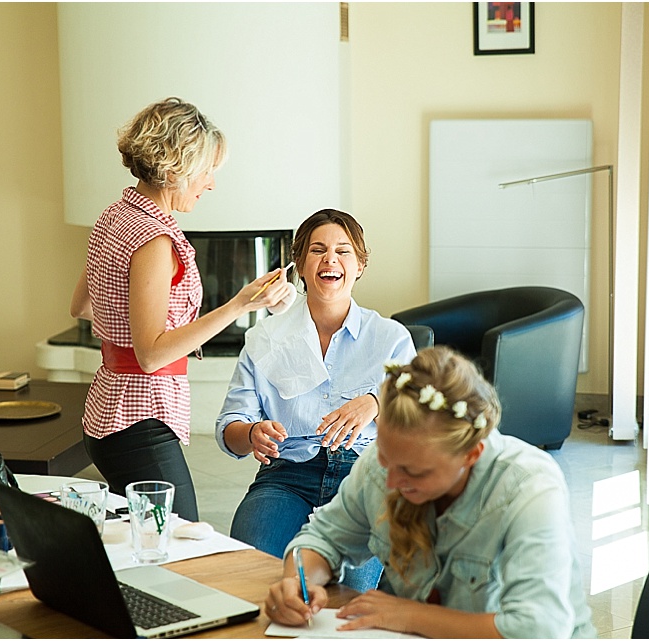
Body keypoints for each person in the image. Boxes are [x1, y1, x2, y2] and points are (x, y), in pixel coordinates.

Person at [266, 346, 596, 639]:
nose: (391, 481)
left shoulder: (529, 488)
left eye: (414, 471)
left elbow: (539, 629)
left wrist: (408, 616)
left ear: (471, 455)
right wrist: (299, 581)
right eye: (385, 458)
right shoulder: (384, 465)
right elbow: (324, 538)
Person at [69, 97, 294, 521]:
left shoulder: (113, 216)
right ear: (175, 168)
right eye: (206, 171)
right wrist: (238, 304)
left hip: (107, 411)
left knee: (147, 542)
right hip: (140, 421)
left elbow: (81, 306)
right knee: (180, 548)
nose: (210, 183)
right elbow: (151, 354)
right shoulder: (155, 240)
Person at [215, 209, 416, 590]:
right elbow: (229, 429)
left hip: (366, 477)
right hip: (286, 476)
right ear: (300, 266)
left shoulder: (391, 337)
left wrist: (375, 401)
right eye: (318, 250)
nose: (331, 259)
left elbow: (418, 414)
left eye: (343, 251)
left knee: (351, 587)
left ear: (359, 266)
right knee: (252, 570)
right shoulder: (265, 339)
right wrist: (253, 432)